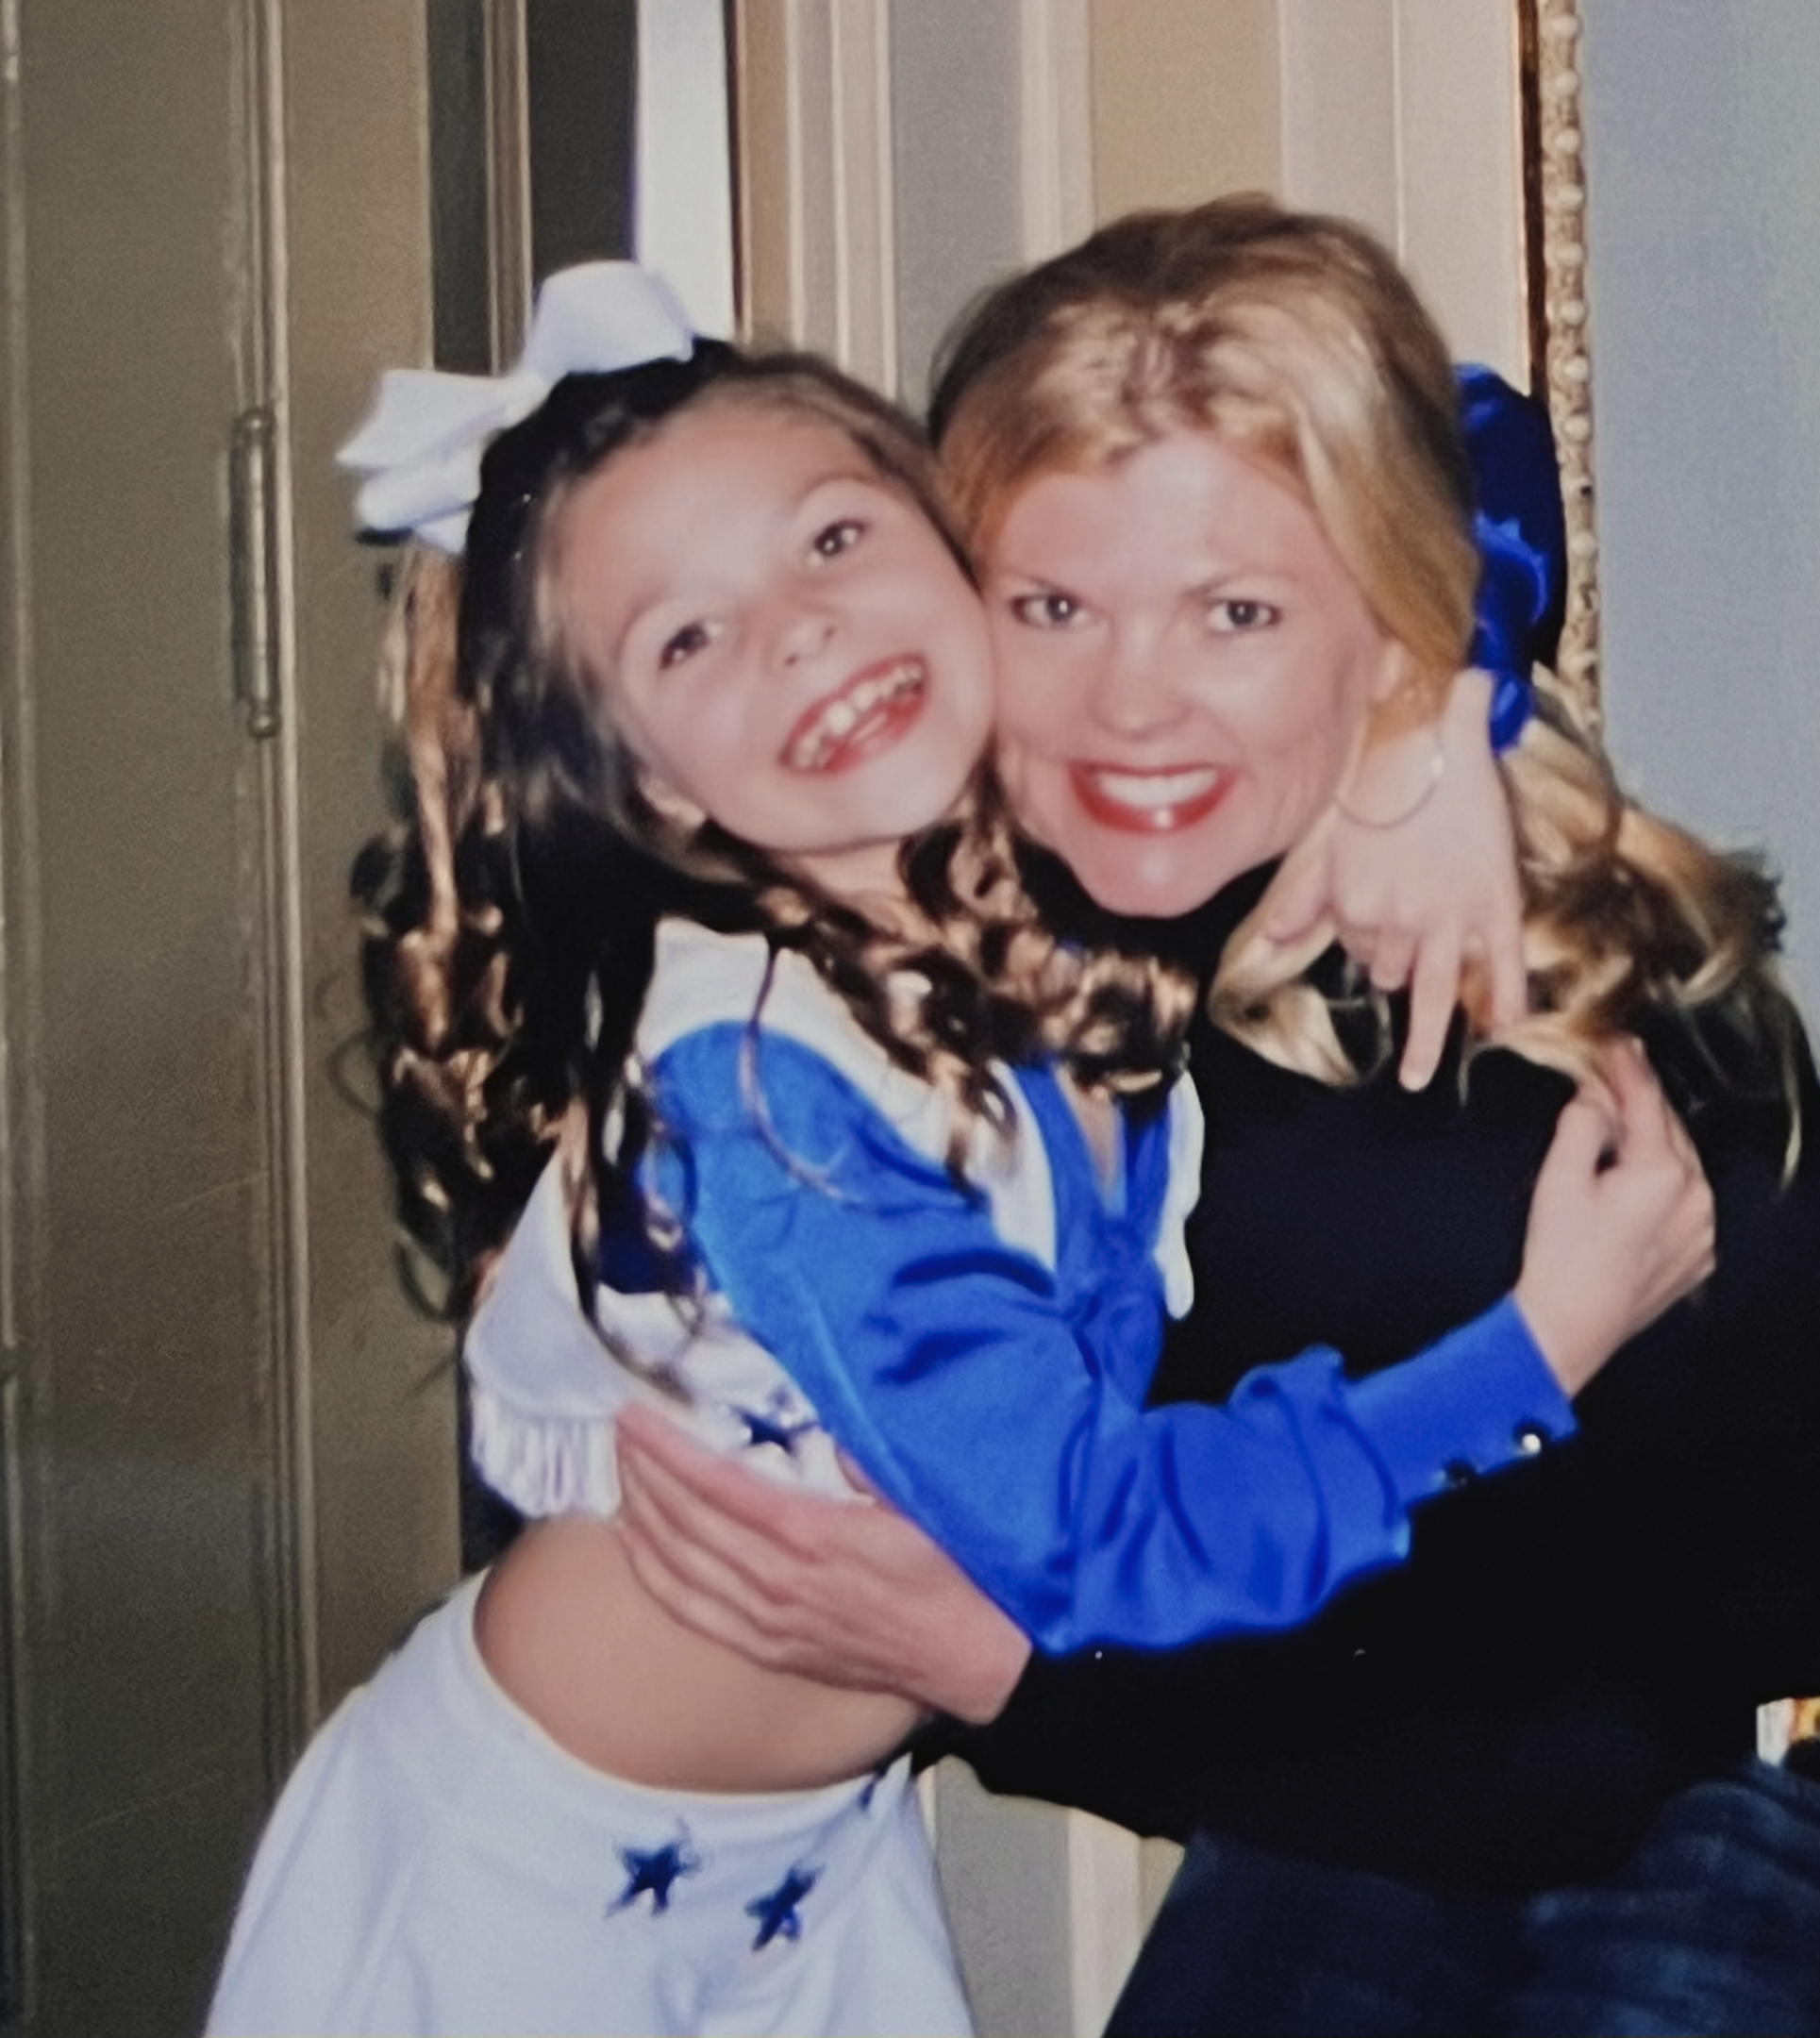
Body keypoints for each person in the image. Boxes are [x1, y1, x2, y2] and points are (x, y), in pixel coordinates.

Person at [205, 261, 1710, 2038]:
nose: (798, 634)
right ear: (655, 792)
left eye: (834, 541)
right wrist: (1533, 1353)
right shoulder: (761, 1099)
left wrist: (1445, 709)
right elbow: (1091, 1533)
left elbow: (1464, 435)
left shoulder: (1054, 884)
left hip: (821, 1863)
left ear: (963, 551)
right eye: (686, 641)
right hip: (522, 1892)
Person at [609, 200, 1820, 2035]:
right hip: (1390, 1701)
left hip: (1796, 1745)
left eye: (1237, 613)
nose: (1131, 701)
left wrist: (1009, 1675)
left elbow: (1585, 1741)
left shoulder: (1527, 1040)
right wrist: (1451, 693)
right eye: (1052, 605)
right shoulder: (956, 943)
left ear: (1373, 622)